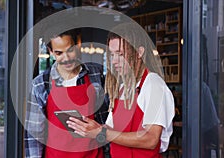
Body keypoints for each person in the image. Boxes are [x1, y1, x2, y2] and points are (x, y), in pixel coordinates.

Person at [67, 23, 175, 158]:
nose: (114, 61)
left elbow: (151, 139)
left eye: (120, 54)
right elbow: (111, 132)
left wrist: (101, 132)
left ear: (139, 52)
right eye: (112, 55)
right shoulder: (123, 88)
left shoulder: (153, 85)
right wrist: (90, 128)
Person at [24, 29, 109, 158]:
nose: (66, 58)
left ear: (78, 45)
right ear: (51, 51)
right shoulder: (41, 84)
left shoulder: (95, 75)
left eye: (70, 50)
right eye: (59, 53)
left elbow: (105, 121)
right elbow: (34, 136)